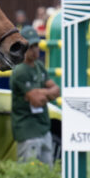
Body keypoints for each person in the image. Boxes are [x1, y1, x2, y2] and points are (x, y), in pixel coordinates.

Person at [10, 27, 59, 165]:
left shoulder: (39, 66)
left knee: (46, 173)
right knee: (28, 172)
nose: (35, 50)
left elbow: (57, 90)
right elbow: (37, 101)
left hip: (43, 127)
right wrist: (45, 93)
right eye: (31, 46)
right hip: (27, 130)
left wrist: (40, 92)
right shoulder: (20, 70)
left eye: (36, 45)